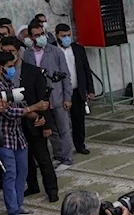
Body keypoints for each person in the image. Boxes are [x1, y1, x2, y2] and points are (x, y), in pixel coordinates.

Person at [0, 51, 49, 215]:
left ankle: (18, 205)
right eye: (10, 66)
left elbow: (22, 105)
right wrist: (33, 108)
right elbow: (8, 112)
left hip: (18, 136)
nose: (12, 69)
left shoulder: (10, 83)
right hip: (3, 137)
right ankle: (12, 212)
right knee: (10, 174)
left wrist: (36, 116)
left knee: (23, 172)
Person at [0, 36, 59, 203]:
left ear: (18, 51)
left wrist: (45, 122)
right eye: (5, 52)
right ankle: (32, 185)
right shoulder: (2, 74)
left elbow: (43, 99)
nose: (9, 55)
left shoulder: (33, 71)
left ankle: (52, 189)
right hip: (14, 123)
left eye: (11, 51)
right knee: (24, 159)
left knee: (43, 157)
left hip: (34, 120)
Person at [24, 21, 74, 170]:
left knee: (64, 128)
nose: (40, 37)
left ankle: (67, 158)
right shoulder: (27, 54)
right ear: (31, 37)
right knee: (50, 129)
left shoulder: (55, 51)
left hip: (57, 96)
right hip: (41, 99)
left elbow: (66, 75)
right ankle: (58, 155)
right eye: (36, 35)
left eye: (42, 34)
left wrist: (67, 97)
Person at [55, 24, 94, 155]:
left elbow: (86, 70)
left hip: (77, 90)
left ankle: (80, 145)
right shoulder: (53, 51)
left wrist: (90, 89)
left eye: (68, 35)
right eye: (63, 36)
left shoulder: (78, 49)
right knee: (63, 122)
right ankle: (64, 149)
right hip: (60, 92)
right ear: (57, 36)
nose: (66, 38)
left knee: (79, 120)